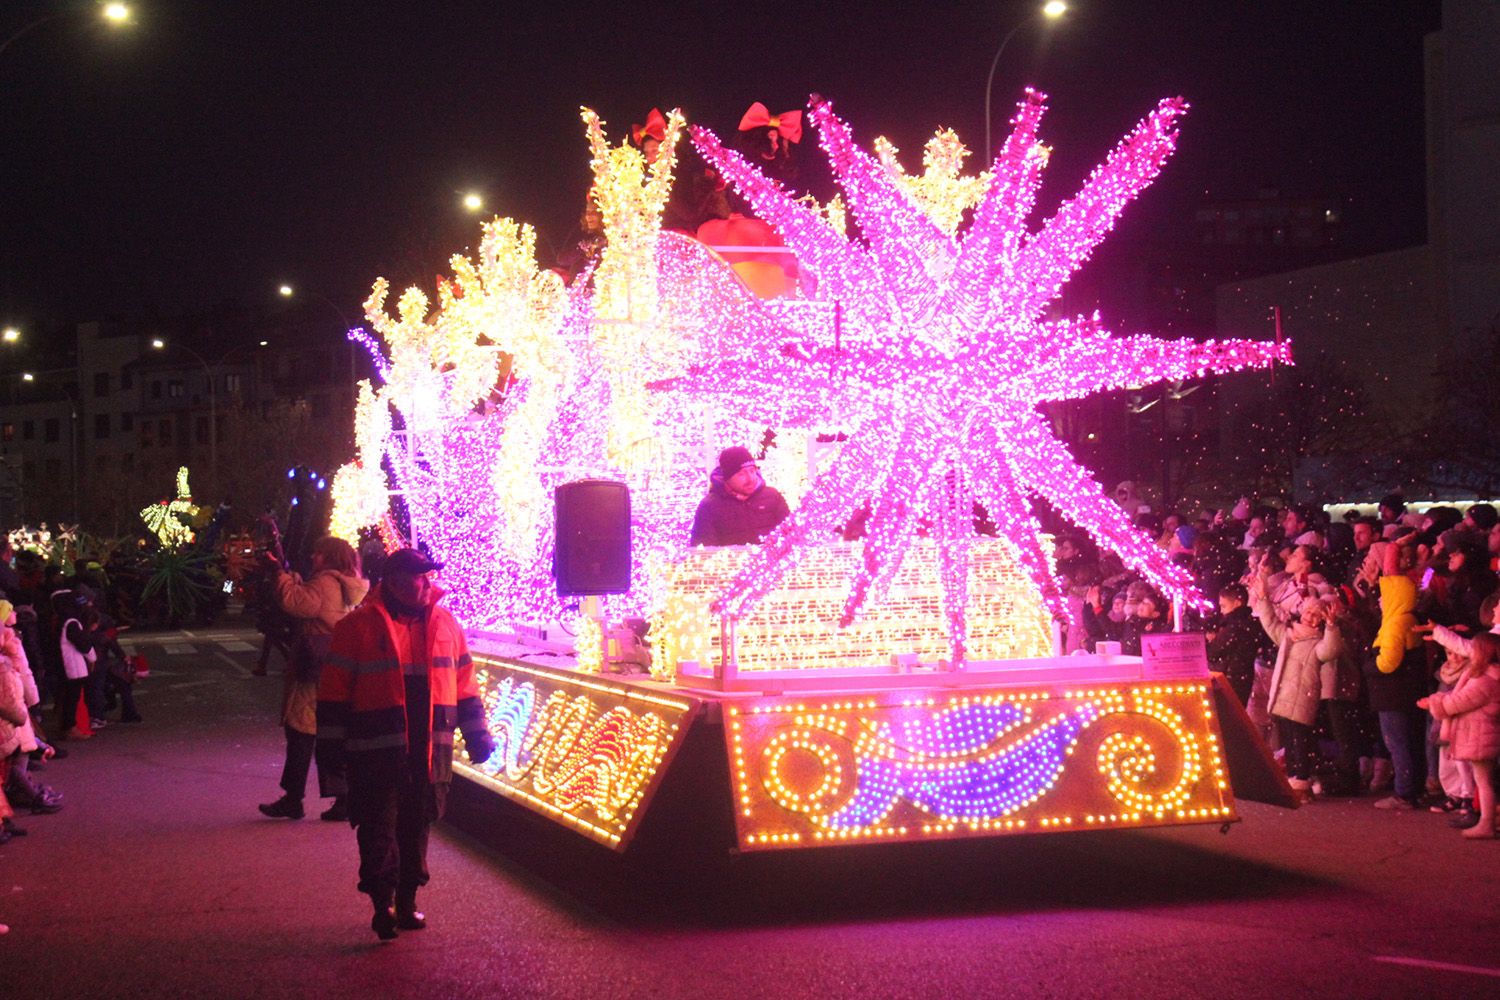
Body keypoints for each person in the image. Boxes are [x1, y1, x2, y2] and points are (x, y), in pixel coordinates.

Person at [316, 548, 494, 941]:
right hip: (376, 753)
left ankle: (408, 899)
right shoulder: (357, 626)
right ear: (395, 581)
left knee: (417, 827)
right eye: (420, 577)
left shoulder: (447, 624)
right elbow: (333, 693)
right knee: (379, 828)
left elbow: (465, 684)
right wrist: (330, 750)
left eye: (429, 576)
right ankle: (384, 902)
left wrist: (477, 732)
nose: (428, 583)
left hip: (428, 752)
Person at [258, 537, 369, 823]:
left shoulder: (324, 583)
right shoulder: (347, 584)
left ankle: (294, 798)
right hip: (335, 665)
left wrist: (279, 576)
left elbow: (295, 603)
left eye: (318, 553)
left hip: (313, 667)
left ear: (329, 557)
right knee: (332, 731)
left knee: (301, 732)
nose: (313, 556)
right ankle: (341, 798)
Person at [1418, 632, 1500, 839]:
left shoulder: (1485, 681)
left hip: (1480, 737)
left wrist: (1434, 702)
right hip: (1482, 735)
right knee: (1485, 781)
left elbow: (1457, 702)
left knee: (1484, 782)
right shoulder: (1490, 677)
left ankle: (1486, 824)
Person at [689, 445, 790, 547]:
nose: (750, 478)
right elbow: (702, 550)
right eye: (742, 474)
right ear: (727, 478)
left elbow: (790, 536)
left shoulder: (773, 497)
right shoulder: (710, 507)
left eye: (752, 471)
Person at [1206, 583, 1263, 707]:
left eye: (1224, 606)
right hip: (1242, 679)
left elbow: (1213, 652)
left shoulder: (1233, 626)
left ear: (1237, 603)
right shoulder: (1250, 624)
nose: (1221, 611)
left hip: (1229, 680)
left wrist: (1211, 641)